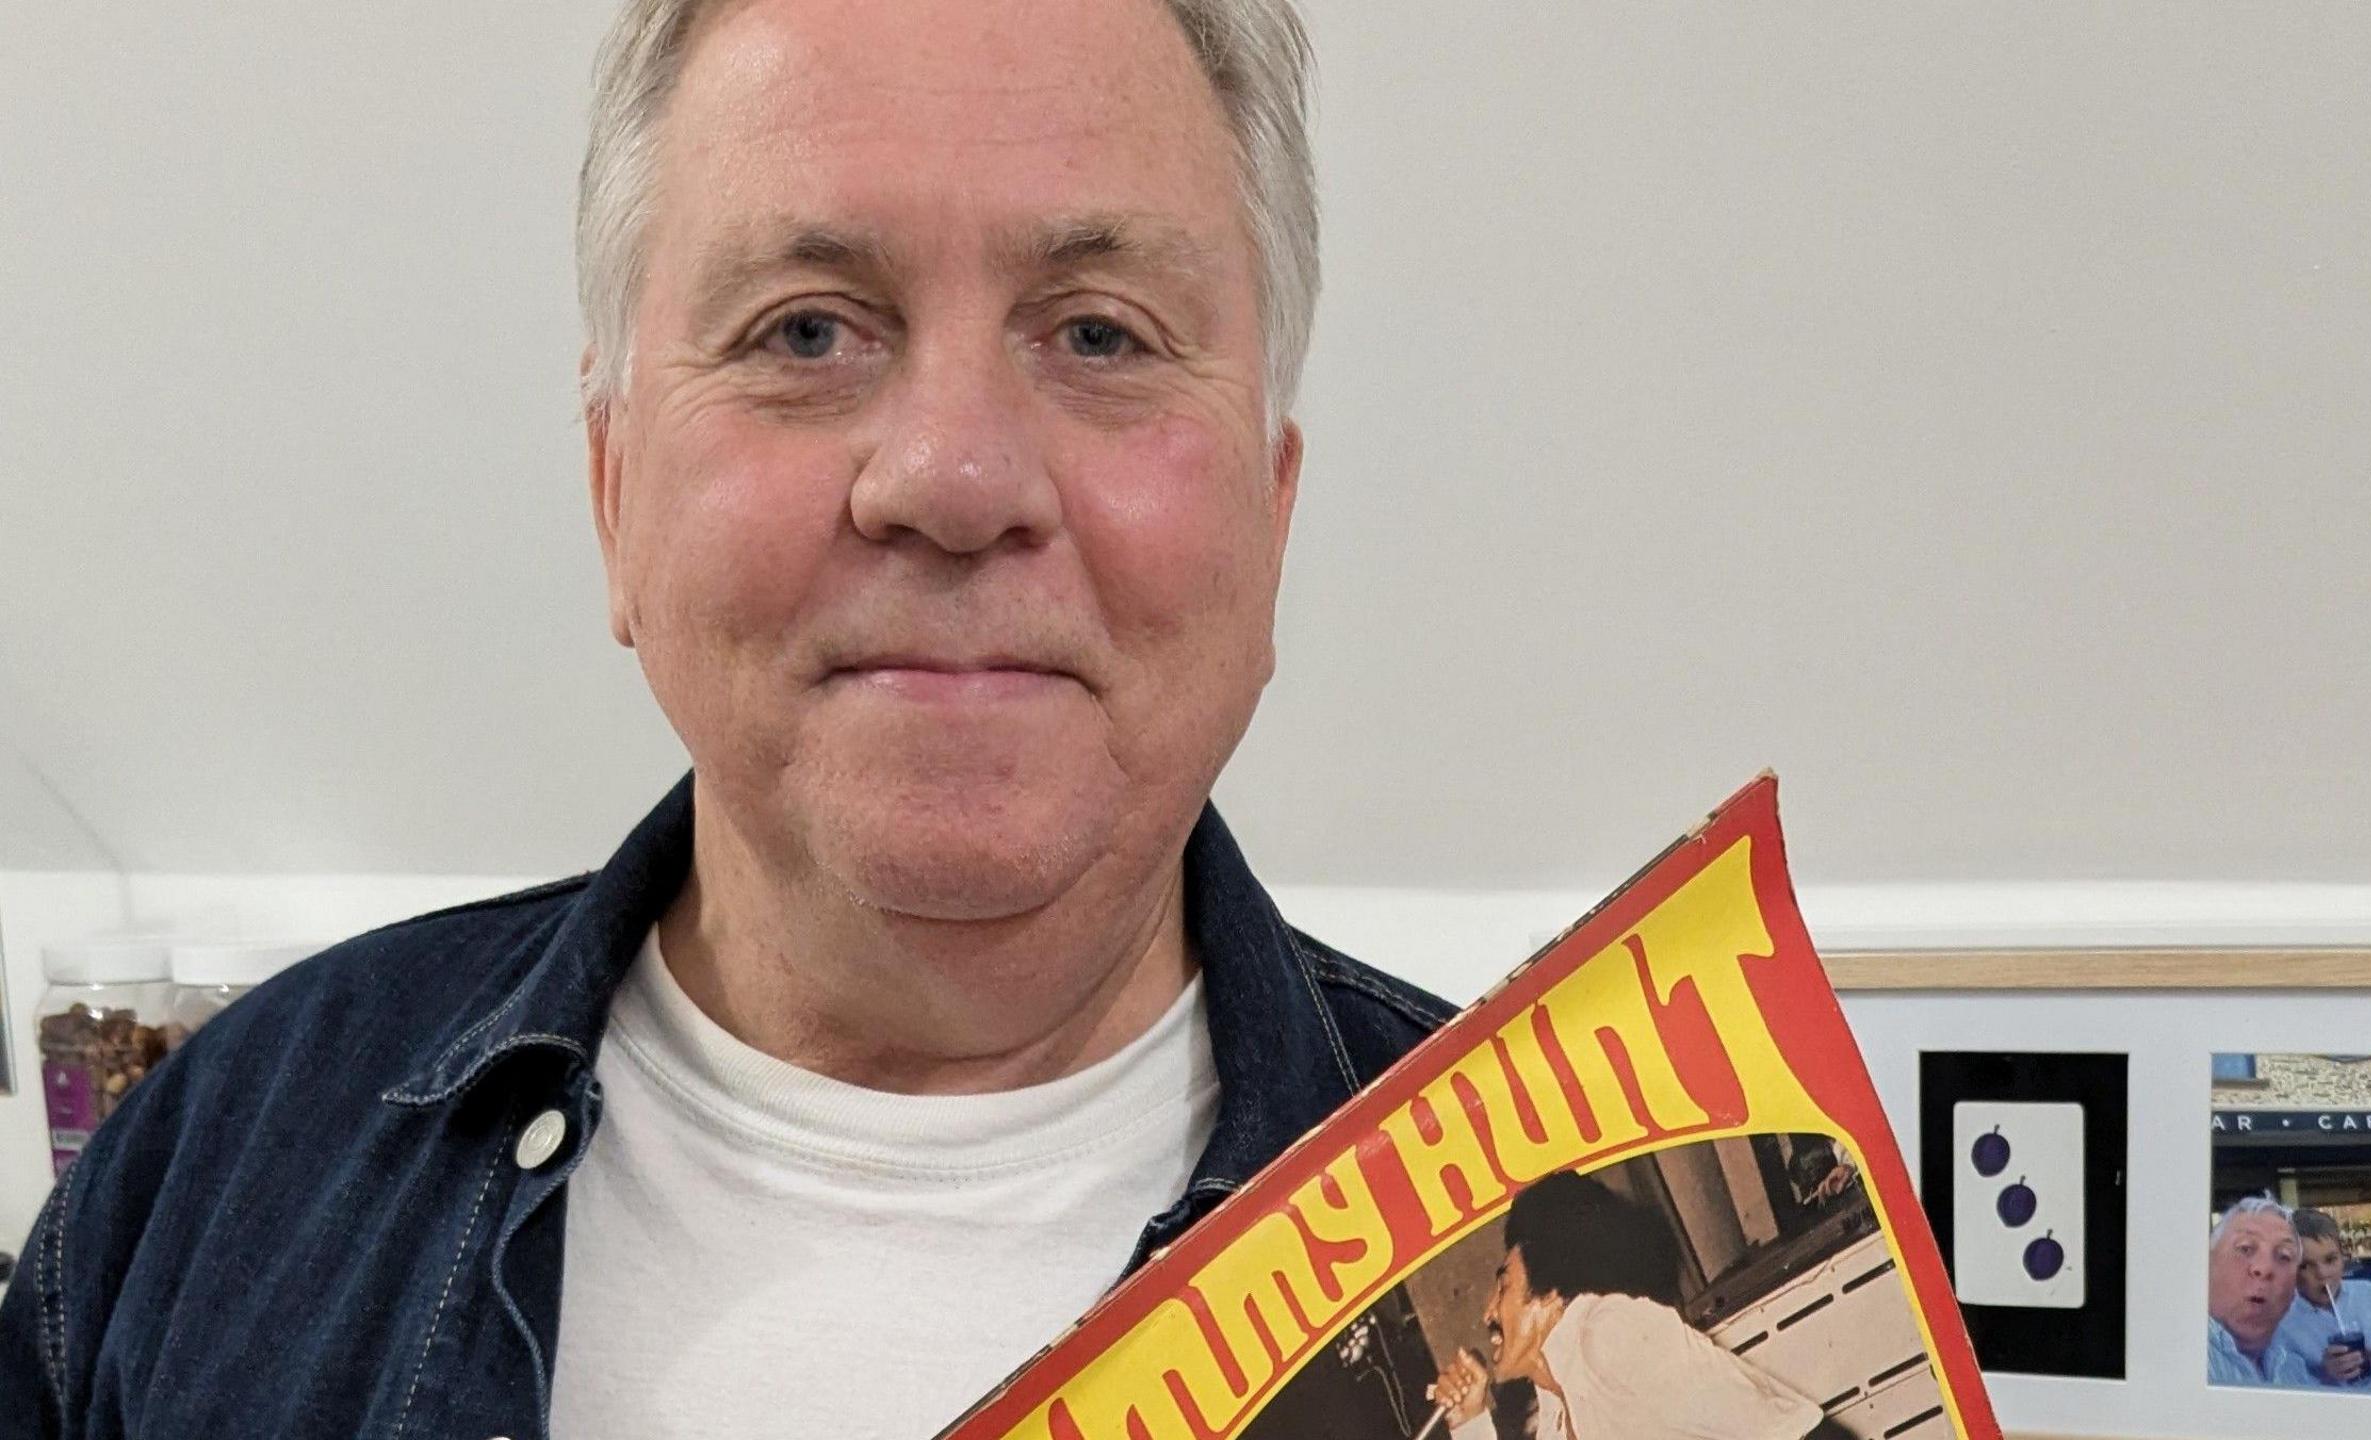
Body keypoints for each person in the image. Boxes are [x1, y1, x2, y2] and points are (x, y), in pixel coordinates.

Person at [0, 2, 1454, 1437]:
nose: (952, 479)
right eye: (808, 330)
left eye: (1100, 335)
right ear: (612, 486)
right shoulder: (209, 1174)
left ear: (1273, 506)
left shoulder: (1549, 1219)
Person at [1429, 1173, 1827, 1440]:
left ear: (1550, 1291)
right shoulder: (1555, 1409)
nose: (1487, 1312)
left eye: (1503, 1285)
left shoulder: (1608, 1333)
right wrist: (1470, 1419)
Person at [2274, 1208, 2371, 1394]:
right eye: (2305, 1266)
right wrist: (2324, 1374)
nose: (2322, 1274)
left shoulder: (2370, 1293)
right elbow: (2285, 1391)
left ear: (2343, 1256)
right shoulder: (2281, 1325)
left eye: (2330, 1260)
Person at [2204, 1196, 2321, 1387]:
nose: (2265, 1268)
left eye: (2284, 1256)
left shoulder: (2294, 1370)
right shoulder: (2180, 1358)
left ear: (2293, 1292)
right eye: (2245, 1249)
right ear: (2207, 1265)